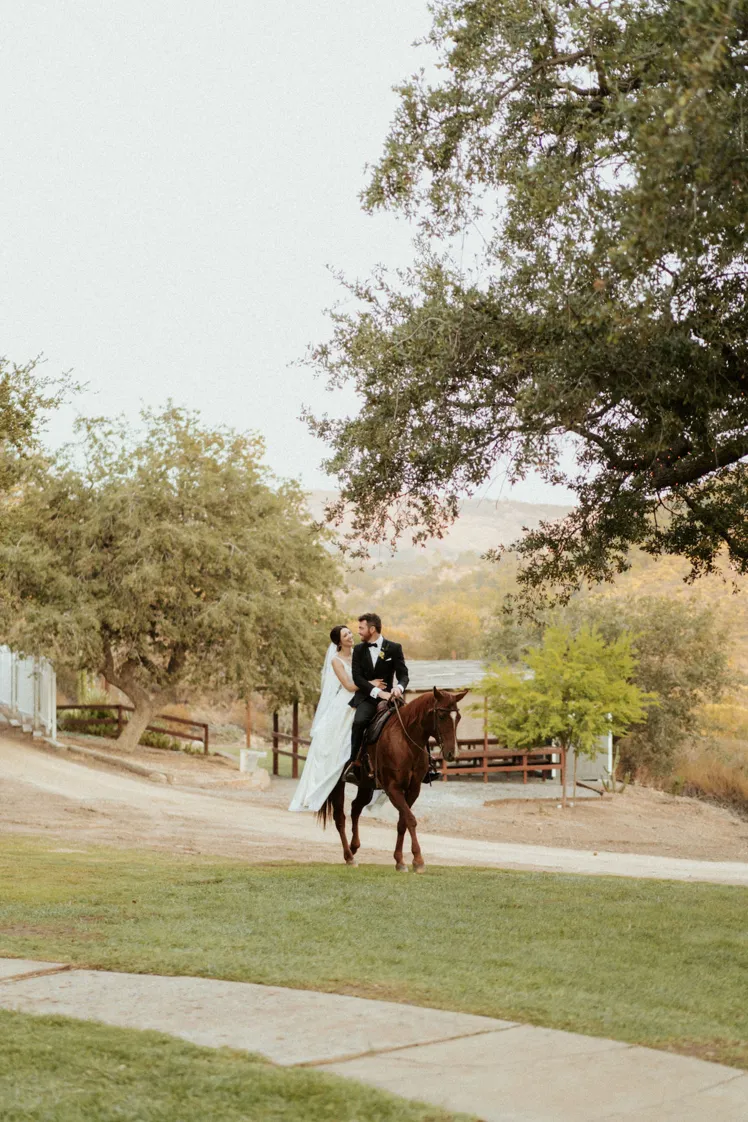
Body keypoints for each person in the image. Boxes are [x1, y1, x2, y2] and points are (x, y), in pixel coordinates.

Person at [288, 624, 357, 812]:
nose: (350, 636)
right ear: (339, 641)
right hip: (346, 702)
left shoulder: (358, 654)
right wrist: (370, 684)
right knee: (334, 746)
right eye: (345, 635)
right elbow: (349, 686)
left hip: (364, 697)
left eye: (350, 632)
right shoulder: (336, 661)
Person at [349, 612, 409, 768]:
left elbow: (404, 675)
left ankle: (426, 765)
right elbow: (357, 679)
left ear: (372, 629)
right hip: (367, 698)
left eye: (361, 628)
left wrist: (399, 688)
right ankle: (354, 763)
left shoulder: (394, 648)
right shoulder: (358, 650)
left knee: (412, 721)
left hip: (391, 698)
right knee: (359, 722)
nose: (358, 631)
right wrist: (379, 692)